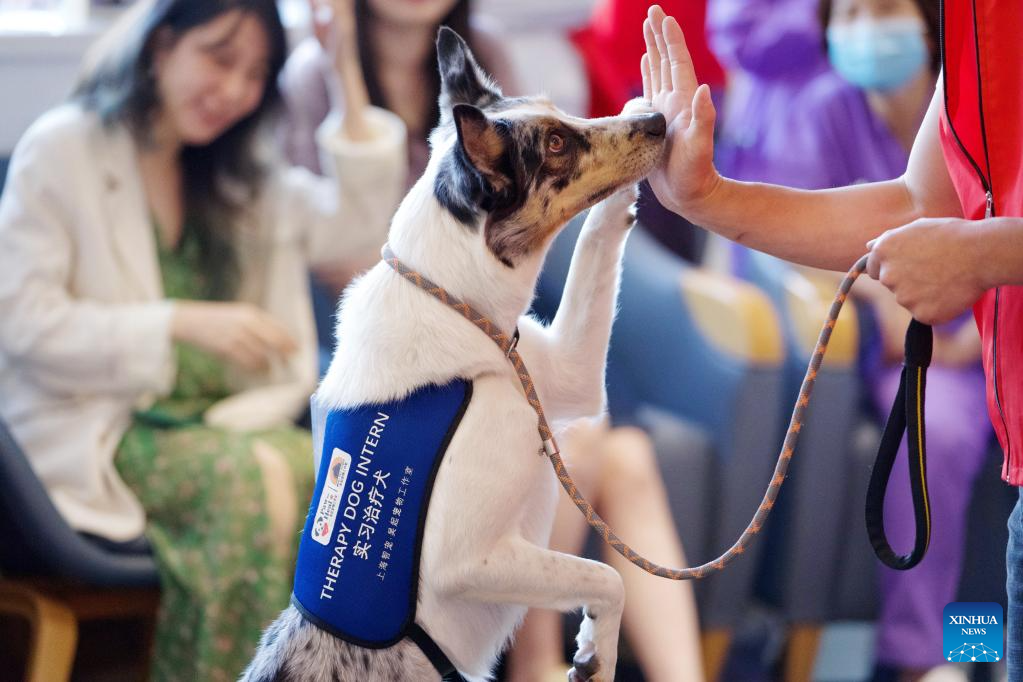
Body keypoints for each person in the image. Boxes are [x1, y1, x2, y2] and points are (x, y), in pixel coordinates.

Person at [0, 0, 406, 679]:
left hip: (226, 422)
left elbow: (363, 228)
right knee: (248, 484)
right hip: (103, 427)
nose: (234, 92)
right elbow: (20, 320)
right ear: (161, 45)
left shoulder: (240, 176)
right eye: (220, 58)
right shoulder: (64, 149)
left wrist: (346, 75)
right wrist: (179, 321)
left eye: (255, 75)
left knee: (345, 480)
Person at [640, 1, 1023, 676]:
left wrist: (981, 263)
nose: (866, 26)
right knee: (943, 439)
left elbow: (958, 240)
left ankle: (948, 656)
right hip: (949, 358)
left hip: (978, 347)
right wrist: (707, 198)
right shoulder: (949, 50)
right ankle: (936, 658)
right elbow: (912, 207)